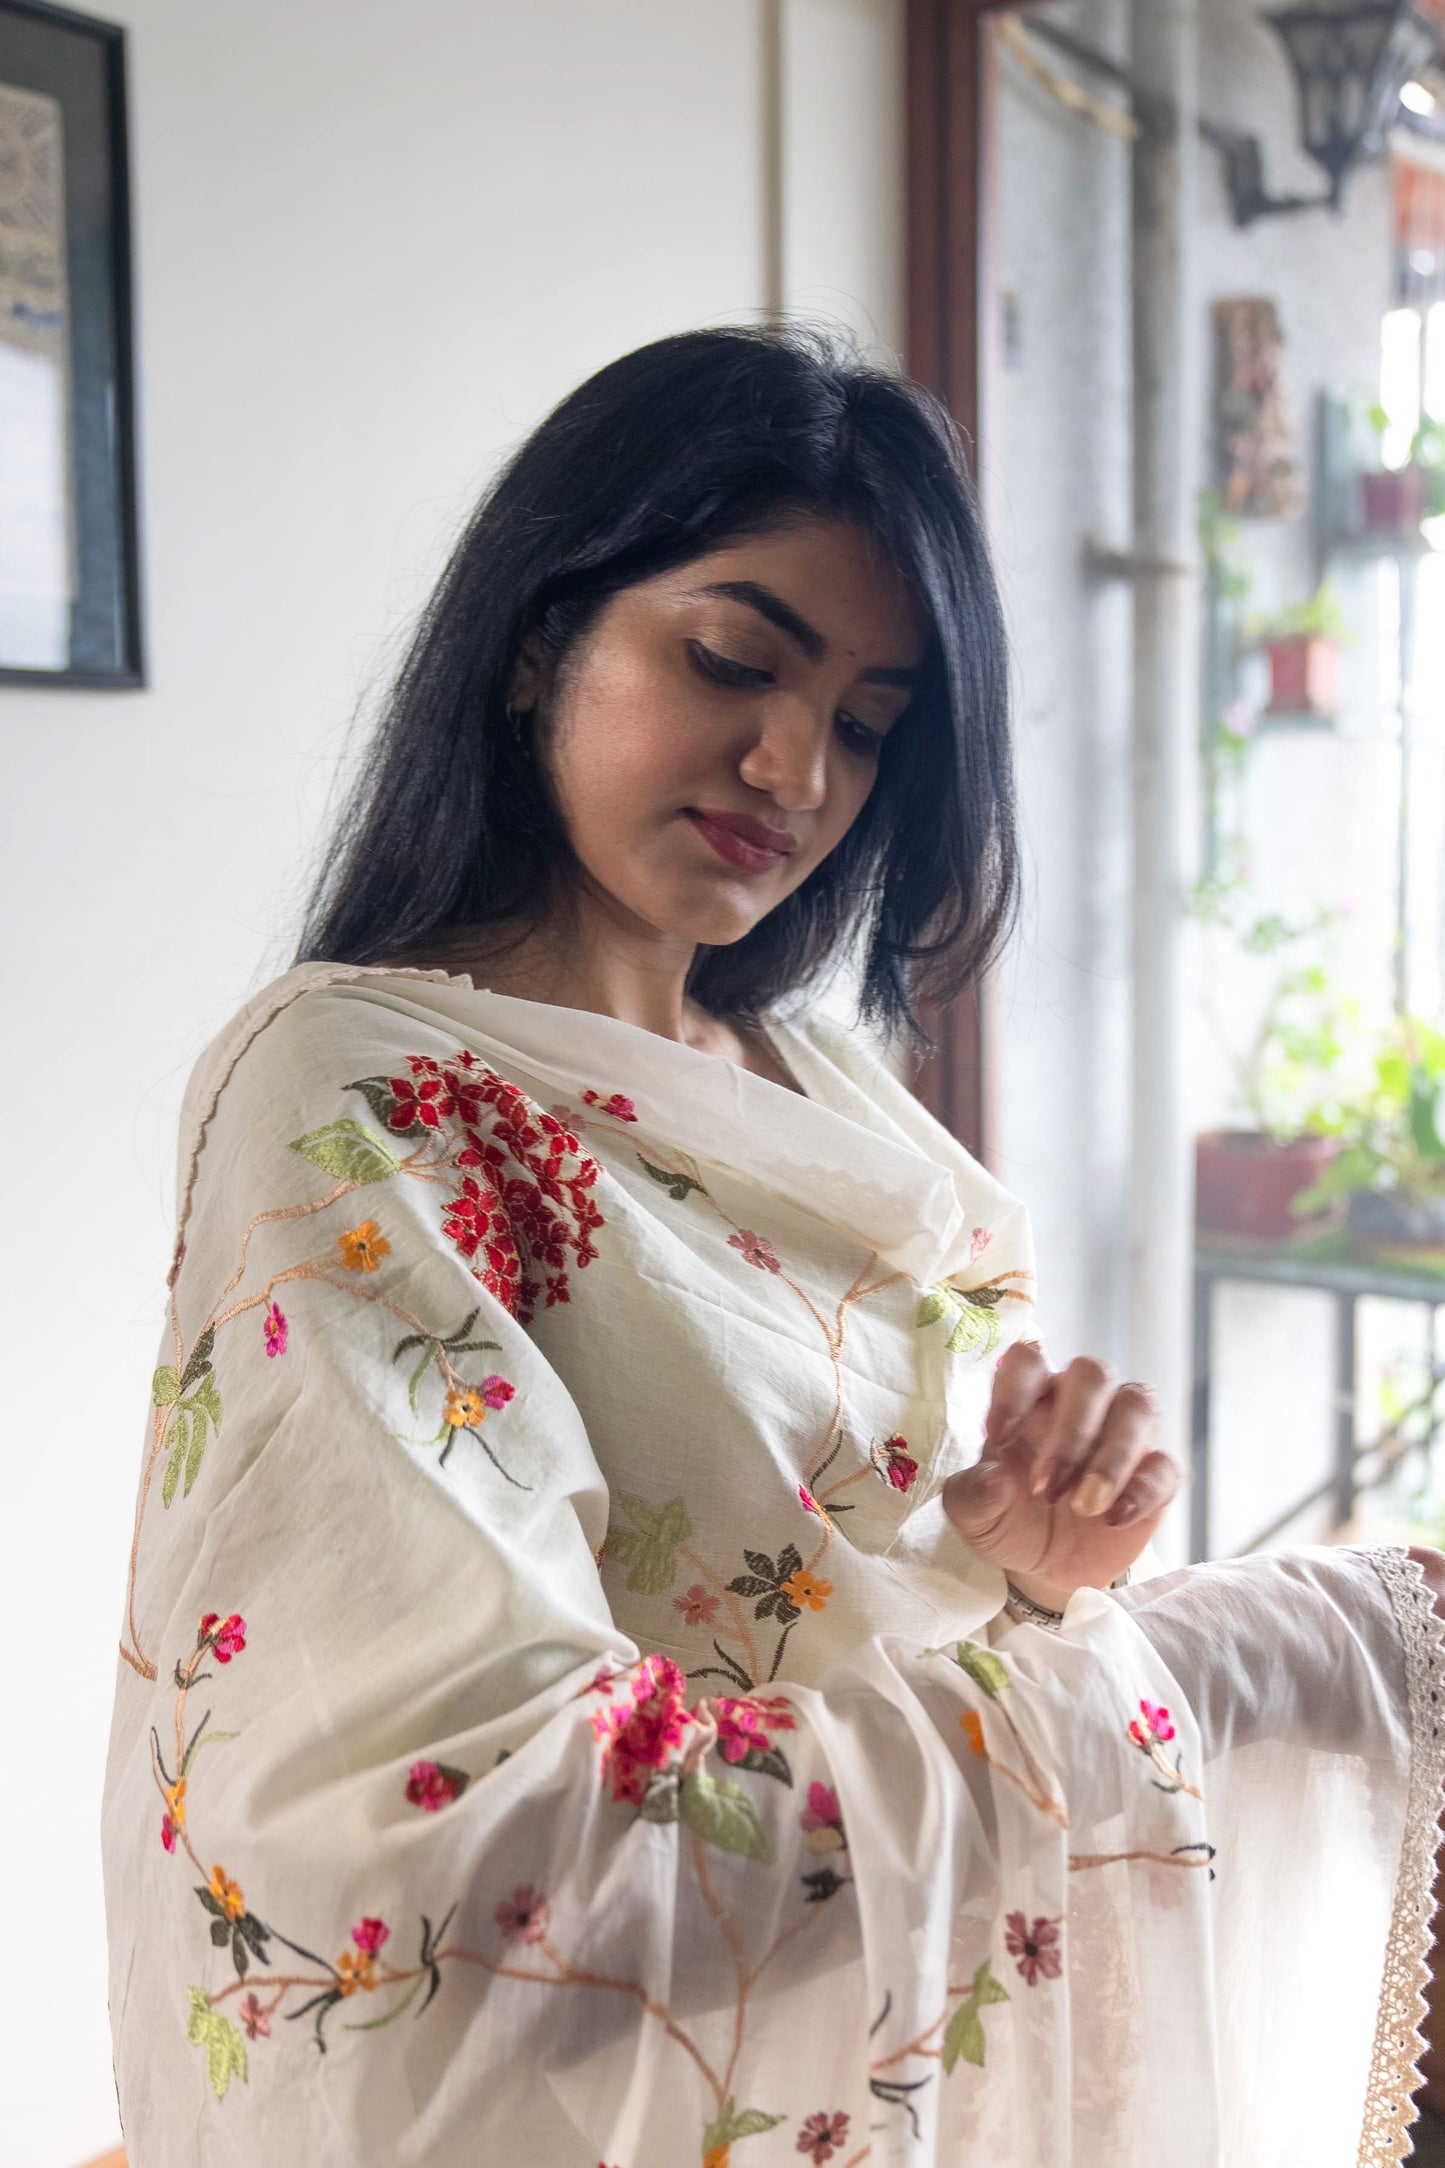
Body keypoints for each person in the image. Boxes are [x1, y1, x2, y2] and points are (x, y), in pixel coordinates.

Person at [103, 324, 1445, 2168]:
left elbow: (846, 1616)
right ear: (532, 641)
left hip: (869, 2070)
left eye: (873, 722)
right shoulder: (361, 1090)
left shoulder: (828, 1092)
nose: (797, 766)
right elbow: (476, 1843)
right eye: (732, 659)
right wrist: (1208, 1662)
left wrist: (1035, 1583)